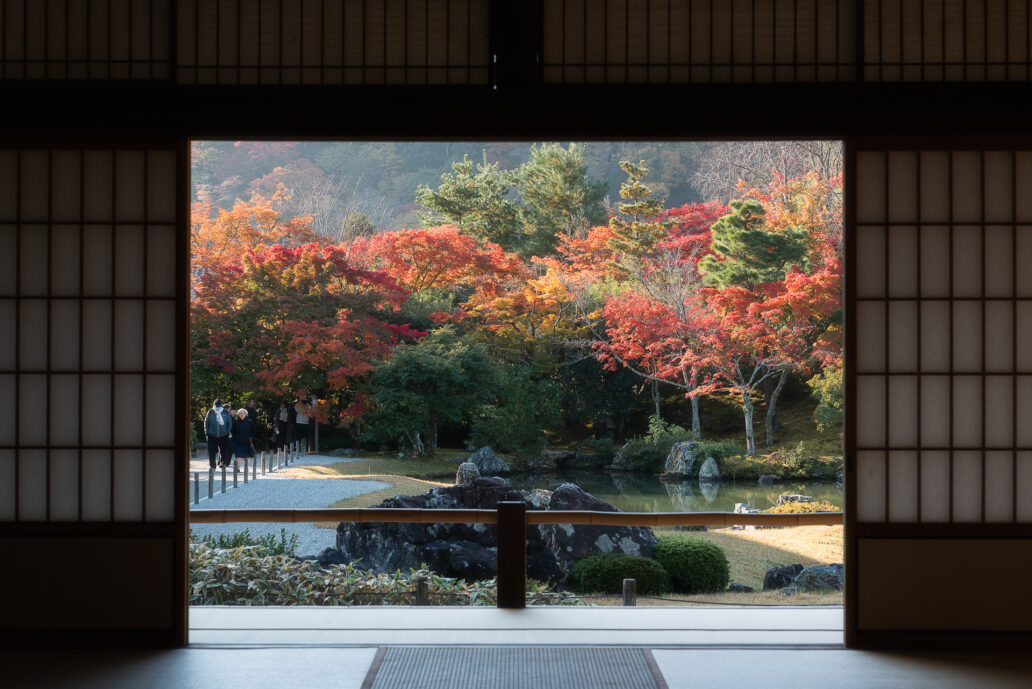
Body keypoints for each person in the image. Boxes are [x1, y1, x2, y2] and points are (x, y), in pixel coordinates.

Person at [204, 399, 233, 470]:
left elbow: (229, 423)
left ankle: (223, 464)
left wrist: (228, 432)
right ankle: (212, 466)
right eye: (216, 405)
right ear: (214, 405)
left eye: (218, 405)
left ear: (221, 405)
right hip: (212, 435)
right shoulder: (210, 412)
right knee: (212, 452)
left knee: (224, 451)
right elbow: (206, 422)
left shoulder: (225, 412)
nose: (217, 406)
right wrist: (207, 433)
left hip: (223, 435)